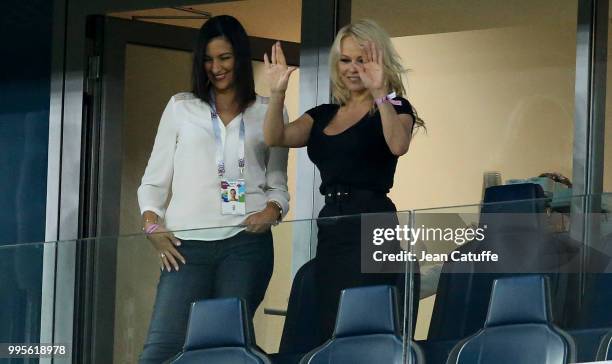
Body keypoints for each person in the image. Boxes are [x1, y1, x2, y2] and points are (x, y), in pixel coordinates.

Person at [137, 15, 289, 363]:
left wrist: (272, 211)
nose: (216, 67)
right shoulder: (181, 107)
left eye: (224, 57)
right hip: (185, 247)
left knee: (227, 347)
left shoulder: (267, 111)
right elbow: (153, 181)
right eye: (208, 59)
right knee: (161, 349)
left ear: (239, 57)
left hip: (245, 245)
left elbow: (278, 187)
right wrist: (151, 226)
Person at [263, 19, 424, 344]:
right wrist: (278, 92)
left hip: (372, 217)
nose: (353, 68)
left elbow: (398, 145)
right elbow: (275, 136)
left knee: (363, 321)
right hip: (332, 222)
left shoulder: (394, 105)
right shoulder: (323, 114)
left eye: (361, 60)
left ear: (378, 62)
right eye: (346, 60)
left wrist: (381, 92)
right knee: (330, 323)